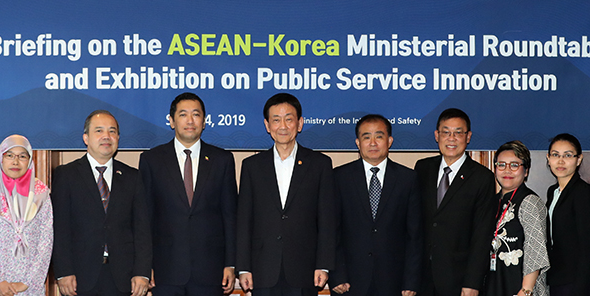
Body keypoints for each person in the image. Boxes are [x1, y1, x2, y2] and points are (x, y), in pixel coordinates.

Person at [138, 93, 237, 296]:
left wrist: (231, 263)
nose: (190, 121)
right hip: (165, 271)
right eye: (183, 114)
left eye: (196, 114)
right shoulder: (152, 160)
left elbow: (230, 216)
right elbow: (144, 218)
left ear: (204, 121)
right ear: (172, 121)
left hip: (210, 271)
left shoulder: (222, 160)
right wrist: (144, 266)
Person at [236, 93, 335, 296]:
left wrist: (323, 265)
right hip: (262, 268)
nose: (283, 126)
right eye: (276, 120)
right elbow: (244, 219)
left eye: (289, 119)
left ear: (299, 123)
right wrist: (244, 267)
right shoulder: (252, 166)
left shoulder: (320, 164)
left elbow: (327, 219)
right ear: (267, 125)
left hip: (304, 269)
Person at [51, 110, 152, 296]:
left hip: (123, 278)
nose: (107, 136)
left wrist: (142, 273)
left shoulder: (133, 177)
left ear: (118, 138)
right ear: (86, 138)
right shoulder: (66, 175)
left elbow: (142, 229)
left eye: (112, 131)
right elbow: (60, 228)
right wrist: (63, 271)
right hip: (79, 277)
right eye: (99, 131)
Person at [329, 114, 422, 296]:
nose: (373, 143)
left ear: (389, 141)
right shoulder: (339, 177)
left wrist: (411, 281)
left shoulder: (408, 179)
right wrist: (336, 275)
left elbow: (415, 236)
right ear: (357, 142)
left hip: (394, 282)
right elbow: (331, 231)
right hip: (349, 283)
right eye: (366, 137)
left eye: (379, 136)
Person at [414, 108, 495, 296]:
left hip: (459, 280)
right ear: (437, 135)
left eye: (458, 133)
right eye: (446, 132)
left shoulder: (482, 177)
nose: (452, 138)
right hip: (422, 278)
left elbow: (482, 235)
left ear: (468, 137)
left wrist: (472, 282)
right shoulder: (422, 168)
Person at [0, 135, 53, 295]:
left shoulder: (41, 193)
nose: (16, 162)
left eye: (22, 156)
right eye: (9, 155)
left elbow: (46, 242)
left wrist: (27, 283)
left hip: (28, 286)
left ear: (30, 161)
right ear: (0, 158)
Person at [485, 140, 549, 296]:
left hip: (521, 288)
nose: (507, 170)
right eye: (501, 165)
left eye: (514, 165)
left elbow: (535, 249)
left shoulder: (530, 201)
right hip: (496, 282)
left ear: (526, 171)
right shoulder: (493, 201)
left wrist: (526, 290)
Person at [544, 133, 590, 296]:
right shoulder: (553, 192)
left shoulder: (582, 192)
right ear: (548, 158)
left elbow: (586, 244)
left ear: (578, 159)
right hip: (556, 275)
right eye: (555, 155)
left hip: (575, 280)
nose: (560, 161)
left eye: (567, 155)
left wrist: (580, 286)